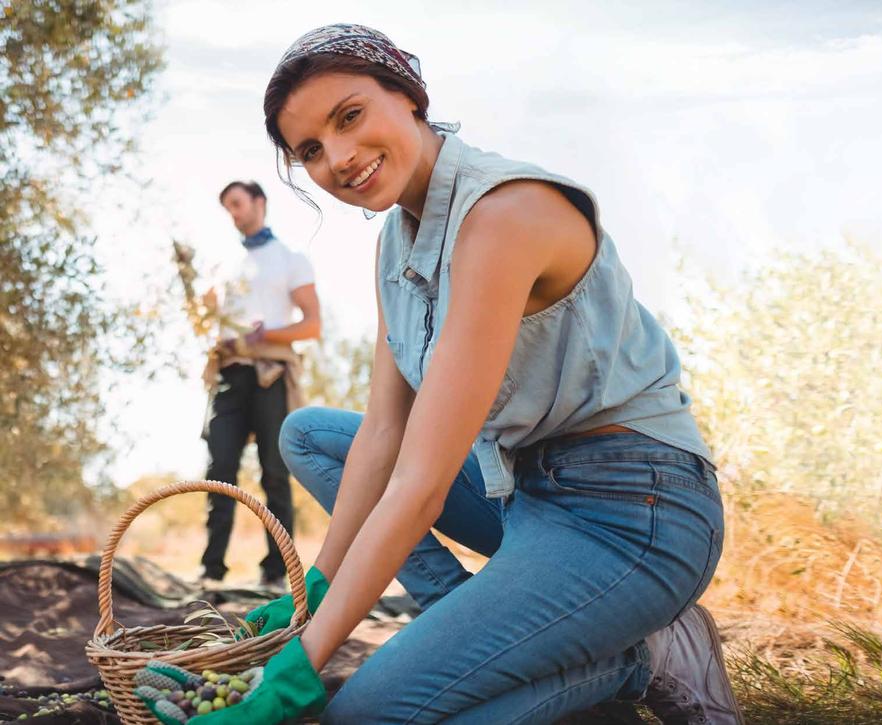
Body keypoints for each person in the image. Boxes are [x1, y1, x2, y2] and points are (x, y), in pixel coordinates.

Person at [144, 23, 742, 725]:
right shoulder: (395, 244)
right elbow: (383, 436)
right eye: (310, 149)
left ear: (410, 96)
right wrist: (313, 594)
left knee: (369, 712)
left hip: (634, 511)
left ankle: (640, 660)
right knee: (312, 436)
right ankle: (490, 632)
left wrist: (300, 666)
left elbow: (420, 484)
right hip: (524, 492)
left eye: (350, 115)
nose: (339, 157)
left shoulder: (503, 215)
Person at [197, 180, 322, 590]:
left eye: (237, 203)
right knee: (219, 470)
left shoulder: (290, 259)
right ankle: (211, 570)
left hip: (271, 373)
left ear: (259, 203)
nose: (233, 213)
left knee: (274, 469)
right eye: (226, 208)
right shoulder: (222, 263)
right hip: (230, 375)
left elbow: (312, 324)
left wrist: (265, 334)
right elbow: (205, 317)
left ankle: (276, 570)